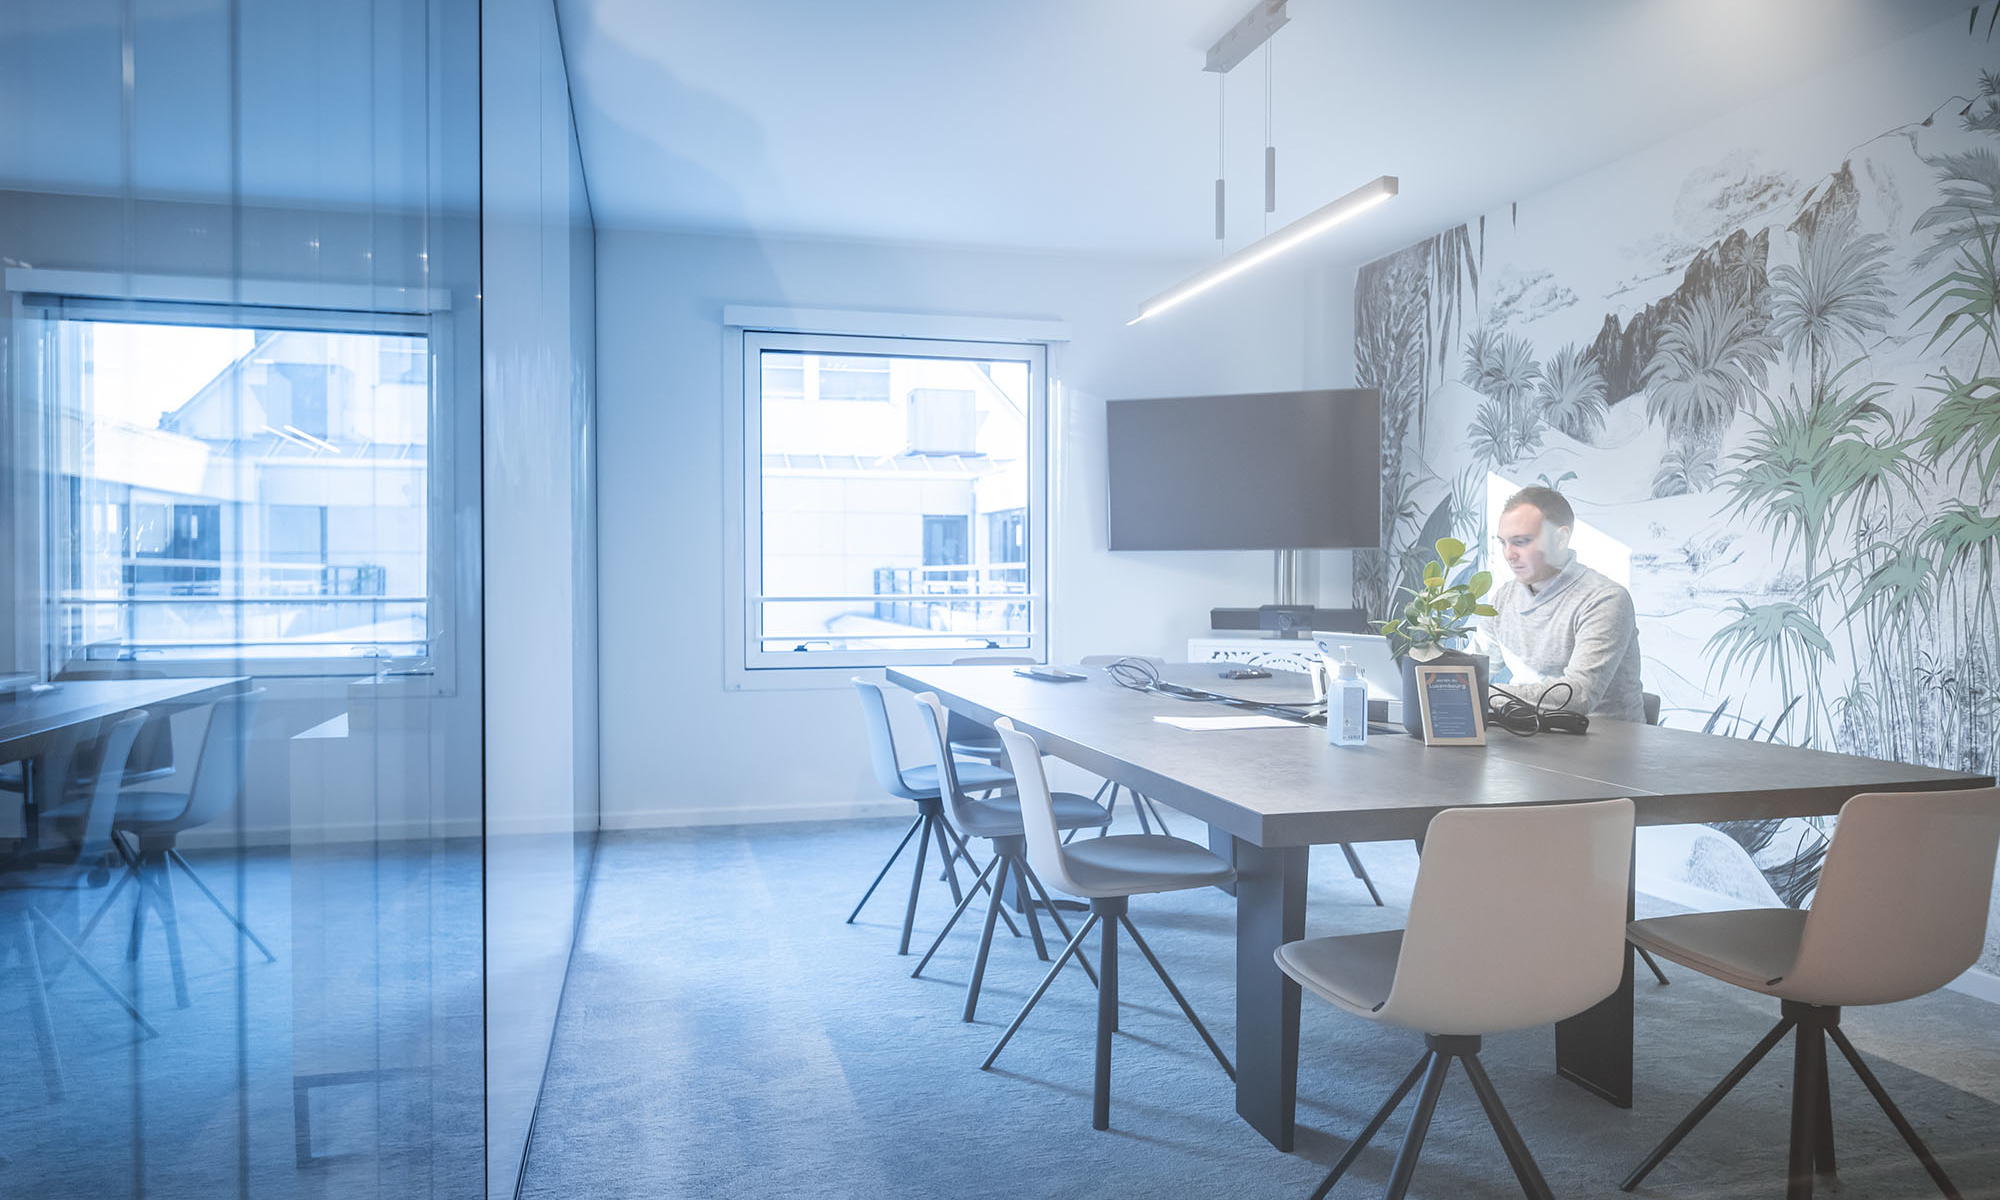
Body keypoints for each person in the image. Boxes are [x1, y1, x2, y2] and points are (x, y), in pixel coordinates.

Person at [1472, 486, 1646, 723]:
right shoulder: (1504, 598)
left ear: (1561, 538)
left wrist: (1480, 694)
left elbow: (1577, 696)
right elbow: (1473, 669)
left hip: (1602, 745)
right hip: (1527, 733)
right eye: (1503, 543)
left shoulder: (1605, 599)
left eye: (1521, 542)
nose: (1508, 554)